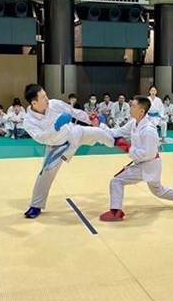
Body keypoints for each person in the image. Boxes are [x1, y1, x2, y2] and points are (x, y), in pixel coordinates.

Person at [22, 83, 116, 219]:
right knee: (45, 174)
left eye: (46, 95)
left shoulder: (54, 104)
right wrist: (56, 126)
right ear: (34, 102)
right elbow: (41, 138)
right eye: (43, 97)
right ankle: (35, 206)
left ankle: (119, 143)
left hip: (73, 133)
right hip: (56, 147)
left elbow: (74, 112)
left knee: (99, 133)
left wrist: (90, 119)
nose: (47, 99)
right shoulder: (28, 121)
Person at [98, 95, 173, 222]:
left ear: (141, 111)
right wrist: (100, 126)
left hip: (148, 164)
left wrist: (128, 148)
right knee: (158, 190)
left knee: (116, 181)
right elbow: (117, 133)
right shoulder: (134, 123)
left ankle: (115, 212)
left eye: (133, 106)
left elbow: (148, 154)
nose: (130, 107)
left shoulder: (149, 130)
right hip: (145, 163)